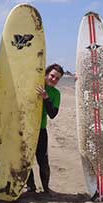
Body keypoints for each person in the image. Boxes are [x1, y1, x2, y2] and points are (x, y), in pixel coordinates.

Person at [26, 64, 63, 195]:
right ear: (46, 74)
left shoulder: (56, 94)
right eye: (52, 76)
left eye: (57, 78)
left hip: (41, 130)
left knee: (43, 161)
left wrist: (46, 98)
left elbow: (52, 114)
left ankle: (46, 188)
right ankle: (30, 187)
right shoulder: (35, 84)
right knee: (26, 160)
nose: (53, 79)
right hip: (27, 129)